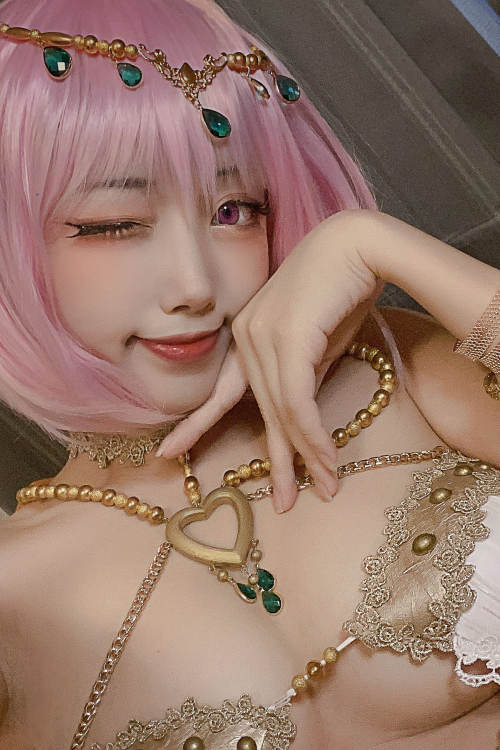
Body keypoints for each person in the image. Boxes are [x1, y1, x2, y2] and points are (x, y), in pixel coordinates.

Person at [0, 0, 498, 748]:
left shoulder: (390, 368)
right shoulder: (16, 591)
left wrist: (374, 244)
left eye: (234, 211)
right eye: (113, 224)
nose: (195, 284)